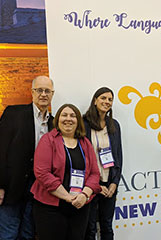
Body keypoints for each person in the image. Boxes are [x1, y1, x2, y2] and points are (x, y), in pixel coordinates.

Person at [31, 104, 100, 240]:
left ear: (78, 121)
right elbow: (42, 173)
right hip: (50, 208)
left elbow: (94, 173)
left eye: (73, 116)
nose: (68, 119)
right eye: (64, 115)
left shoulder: (85, 142)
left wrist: (84, 195)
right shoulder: (48, 140)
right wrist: (68, 197)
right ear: (57, 119)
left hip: (80, 207)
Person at [0, 76, 54, 240]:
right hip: (11, 186)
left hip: (39, 188)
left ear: (52, 94)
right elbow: (1, 150)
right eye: (39, 90)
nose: (43, 94)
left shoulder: (54, 123)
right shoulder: (13, 113)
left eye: (47, 91)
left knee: (29, 233)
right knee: (8, 233)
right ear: (32, 92)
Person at [83, 87, 122, 240]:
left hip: (109, 183)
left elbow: (118, 156)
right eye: (103, 98)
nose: (106, 102)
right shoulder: (83, 123)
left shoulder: (114, 125)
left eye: (110, 99)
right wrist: (96, 186)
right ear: (95, 100)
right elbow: (81, 157)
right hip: (90, 185)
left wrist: (114, 183)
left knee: (107, 226)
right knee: (90, 228)